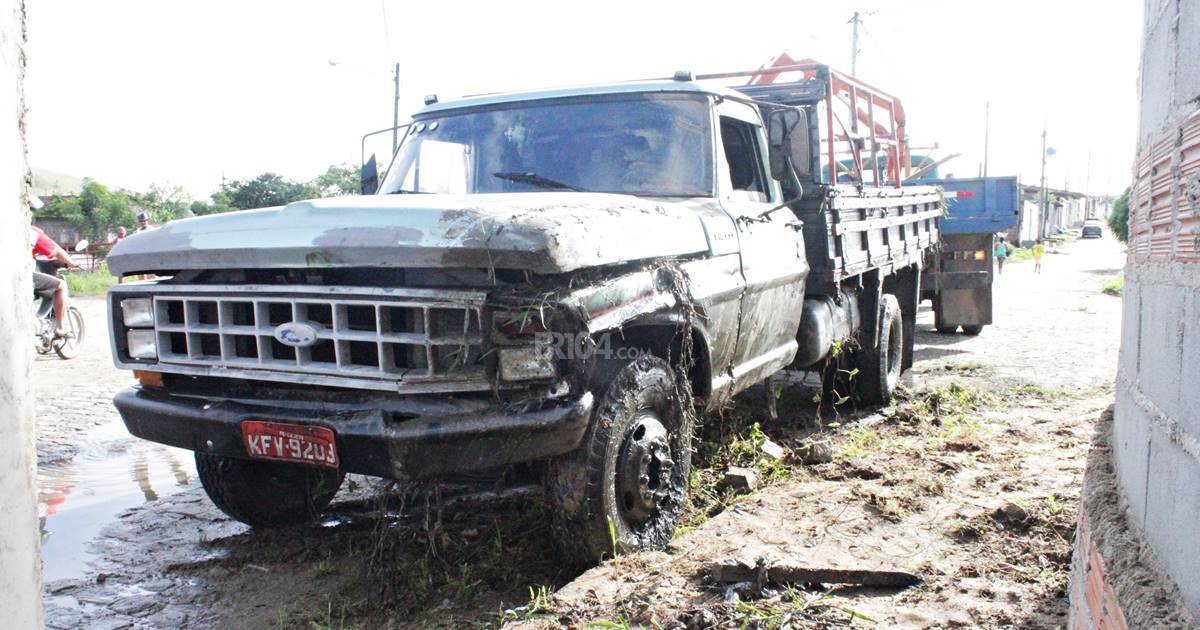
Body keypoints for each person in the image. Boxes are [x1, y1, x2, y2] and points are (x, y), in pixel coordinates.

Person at [30, 225, 79, 336]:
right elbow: (56, 250)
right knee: (60, 285)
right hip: (22, 276)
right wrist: (71, 263)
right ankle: (60, 328)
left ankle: (37, 319)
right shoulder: (30, 230)